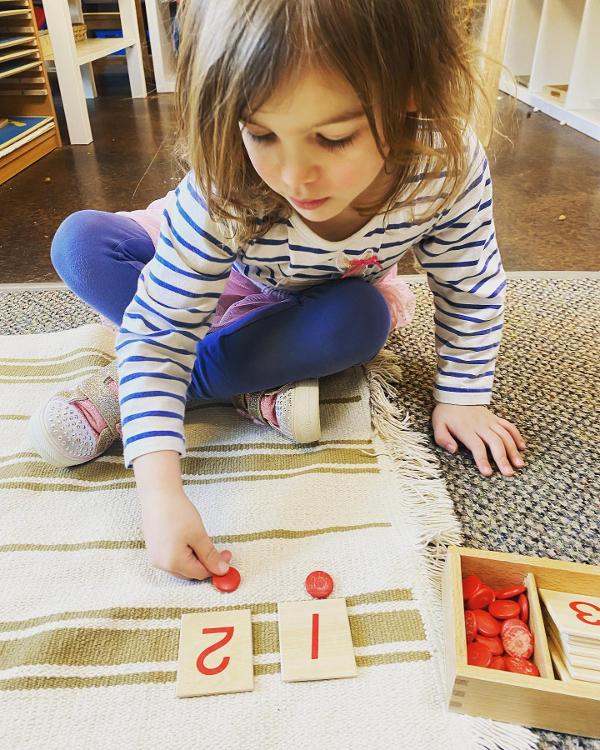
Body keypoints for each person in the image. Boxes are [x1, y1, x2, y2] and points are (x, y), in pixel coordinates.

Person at [29, 0, 526, 582]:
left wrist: (464, 395)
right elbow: (160, 329)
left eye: (334, 138)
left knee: (360, 320)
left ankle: (173, 383)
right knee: (81, 244)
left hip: (316, 303)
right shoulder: (226, 178)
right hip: (221, 271)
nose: (295, 177)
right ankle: (245, 381)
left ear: (411, 92)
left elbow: (470, 285)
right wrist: (159, 493)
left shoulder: (446, 165)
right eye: (261, 133)